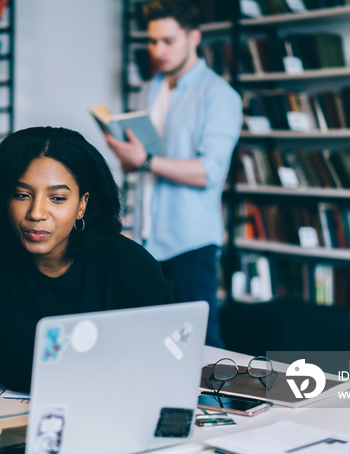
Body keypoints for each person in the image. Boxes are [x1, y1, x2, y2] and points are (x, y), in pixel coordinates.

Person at [0, 126, 174, 392]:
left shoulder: (131, 264)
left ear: (83, 204)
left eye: (57, 198)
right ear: (4, 198)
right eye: (22, 195)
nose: (36, 213)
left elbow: (162, 353)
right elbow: (6, 358)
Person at [104, 0, 242, 348]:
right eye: (152, 42)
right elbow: (141, 162)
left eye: (168, 41)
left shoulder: (219, 95)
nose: (158, 50)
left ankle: (224, 404)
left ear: (193, 37)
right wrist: (127, 155)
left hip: (190, 242)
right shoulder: (151, 88)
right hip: (148, 238)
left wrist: (146, 159)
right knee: (156, 340)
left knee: (202, 343)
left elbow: (209, 172)